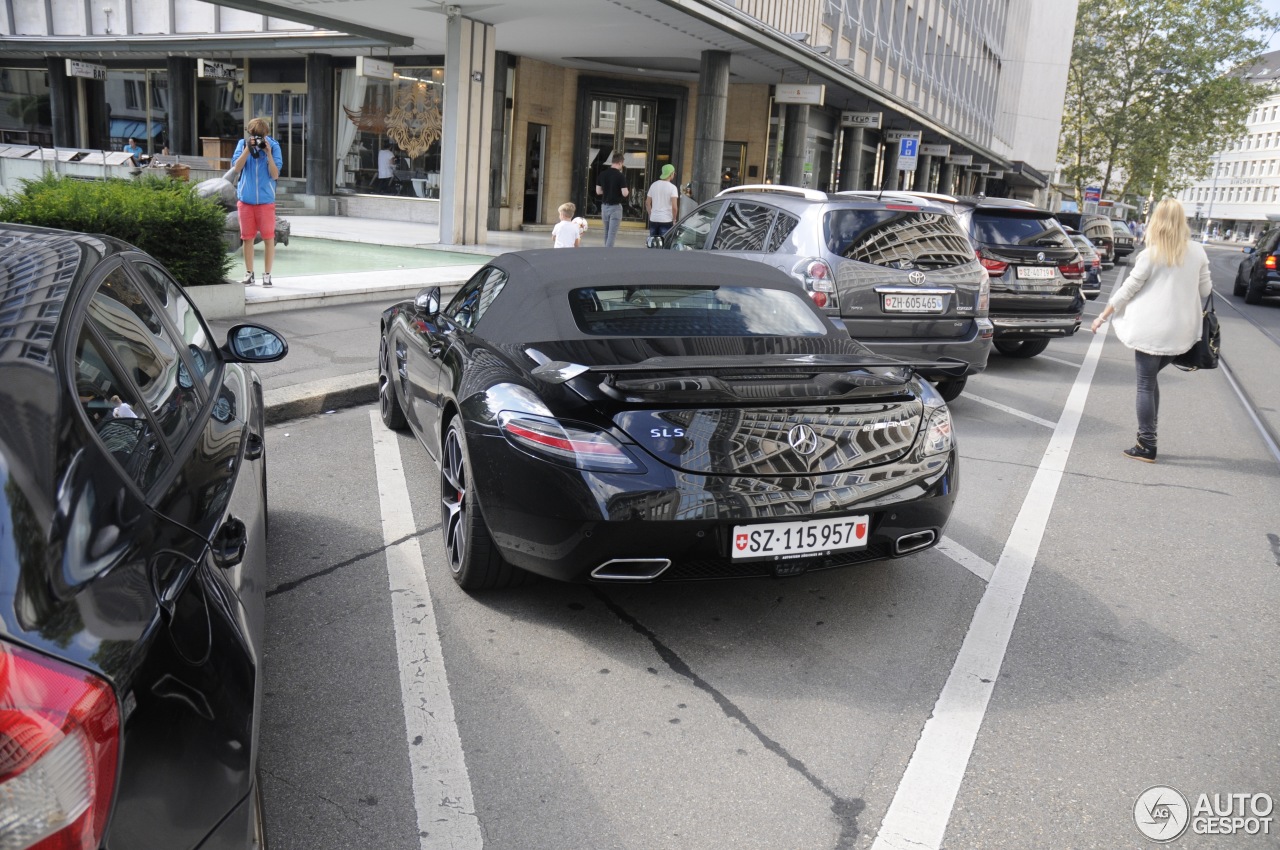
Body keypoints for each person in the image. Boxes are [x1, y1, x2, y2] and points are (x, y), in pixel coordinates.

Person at [1090, 197, 1212, 462]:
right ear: (1182, 222)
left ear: (1157, 222)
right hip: (1181, 331)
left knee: (1145, 384)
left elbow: (1128, 290)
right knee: (1151, 380)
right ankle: (1148, 438)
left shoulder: (1151, 254)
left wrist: (1103, 315)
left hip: (1149, 330)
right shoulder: (1197, 252)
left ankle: (1147, 443)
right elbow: (1205, 291)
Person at [227, 117, 283, 287]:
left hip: (265, 201)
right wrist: (247, 149)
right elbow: (236, 168)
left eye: (260, 135)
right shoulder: (242, 144)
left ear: (266, 134)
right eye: (254, 135)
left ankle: (267, 275)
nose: (258, 139)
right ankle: (249, 274)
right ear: (250, 133)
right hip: (246, 200)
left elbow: (275, 174)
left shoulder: (273, 146)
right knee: (247, 238)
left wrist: (268, 154)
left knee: (268, 238)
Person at [595, 152, 629, 247]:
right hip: (615, 208)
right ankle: (608, 253)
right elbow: (625, 193)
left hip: (604, 207)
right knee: (612, 233)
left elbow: (598, 191)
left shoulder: (602, 174)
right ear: (620, 162)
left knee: (606, 232)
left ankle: (606, 250)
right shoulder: (620, 176)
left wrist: (608, 191)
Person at [645, 163, 679, 245]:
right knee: (664, 245)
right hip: (666, 220)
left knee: (653, 244)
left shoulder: (654, 185)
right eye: (673, 173)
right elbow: (674, 207)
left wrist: (651, 214)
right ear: (671, 174)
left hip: (654, 219)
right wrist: (674, 219)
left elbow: (647, 203)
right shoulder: (672, 188)